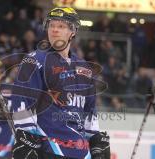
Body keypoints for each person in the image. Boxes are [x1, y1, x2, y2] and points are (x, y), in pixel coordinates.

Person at [10, 7, 110, 159]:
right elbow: (23, 102)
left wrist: (95, 140)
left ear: (73, 31)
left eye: (61, 26)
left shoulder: (84, 68)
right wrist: (25, 137)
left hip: (81, 152)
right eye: (51, 25)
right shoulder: (34, 60)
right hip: (49, 149)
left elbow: (89, 110)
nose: (54, 30)